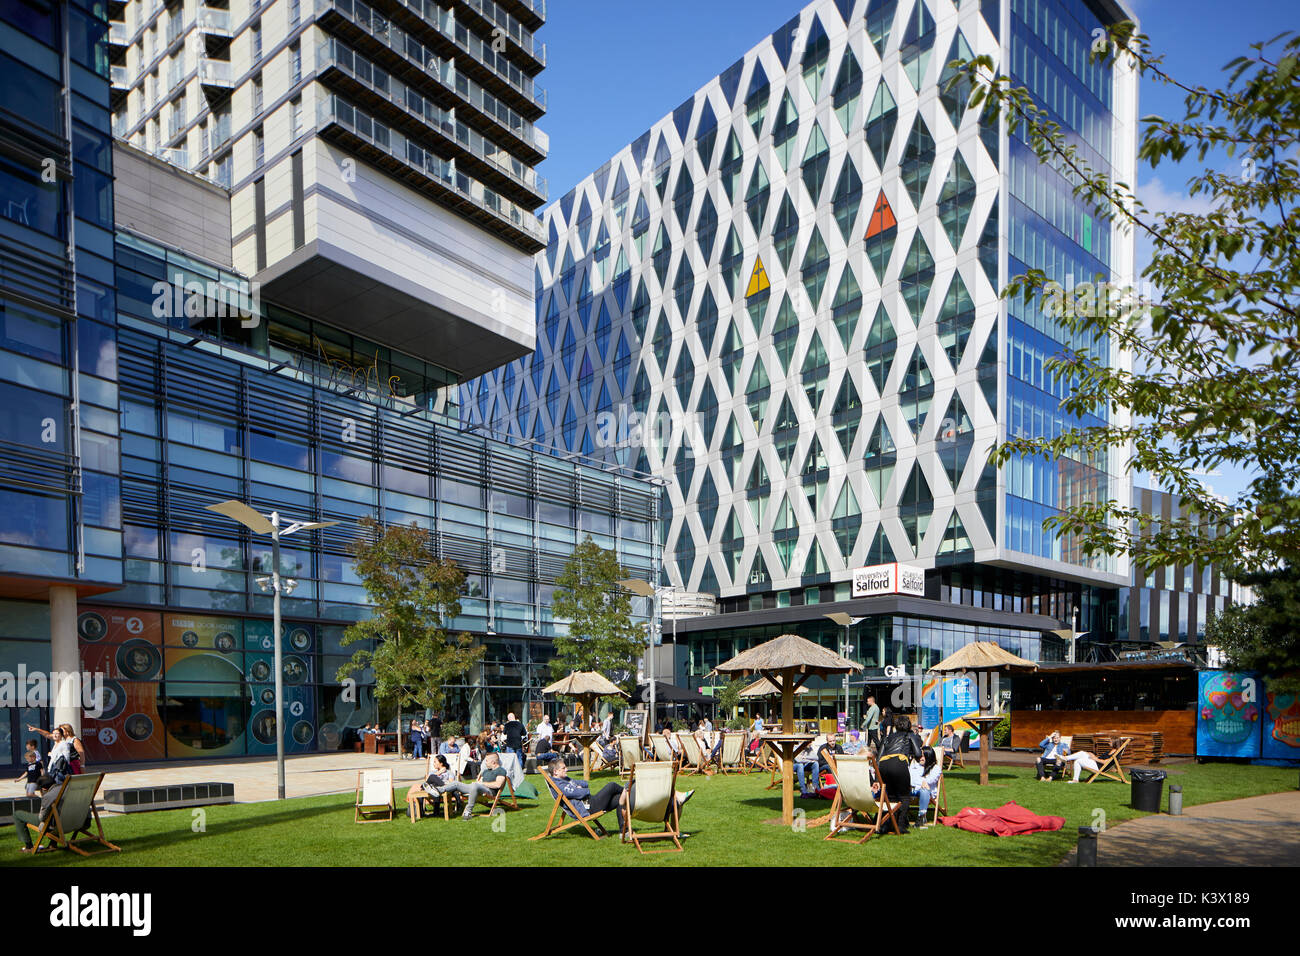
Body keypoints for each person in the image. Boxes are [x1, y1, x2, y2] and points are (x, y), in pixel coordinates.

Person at [547, 757, 628, 831]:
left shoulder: (565, 779)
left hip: (590, 802)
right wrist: (582, 790)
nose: (566, 769)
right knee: (612, 786)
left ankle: (624, 831)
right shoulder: (559, 785)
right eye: (563, 768)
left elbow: (583, 783)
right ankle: (629, 790)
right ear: (555, 772)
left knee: (620, 799)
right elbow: (578, 793)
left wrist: (580, 788)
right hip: (587, 808)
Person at [877, 715, 924, 832]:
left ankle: (888, 824)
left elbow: (878, 758)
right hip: (898, 763)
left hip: (883, 765)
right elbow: (918, 754)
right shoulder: (909, 736)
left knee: (892, 795)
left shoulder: (887, 737)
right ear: (908, 725)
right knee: (904, 796)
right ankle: (900, 825)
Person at [14, 774, 65, 853]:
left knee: (17, 814)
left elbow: (42, 818)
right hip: (73, 822)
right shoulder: (66, 788)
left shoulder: (48, 796)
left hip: (55, 825)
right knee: (54, 815)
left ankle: (29, 846)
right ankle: (53, 843)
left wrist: (43, 797)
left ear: (44, 788)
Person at [459, 753, 510, 820]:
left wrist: (482, 784)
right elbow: (478, 783)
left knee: (475, 785)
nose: (485, 763)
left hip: (489, 792)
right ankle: (440, 791)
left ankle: (468, 811)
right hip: (477, 789)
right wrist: (478, 783)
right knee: (456, 784)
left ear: (493, 762)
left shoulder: (501, 771)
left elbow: (498, 785)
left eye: (486, 760)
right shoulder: (486, 771)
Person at [909, 746, 943, 828]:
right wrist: (921, 782)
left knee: (924, 789)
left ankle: (921, 816)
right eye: (920, 756)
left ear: (929, 756)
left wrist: (919, 783)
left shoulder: (935, 769)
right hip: (912, 791)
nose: (921, 758)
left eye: (923, 756)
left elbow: (929, 781)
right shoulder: (915, 766)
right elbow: (909, 779)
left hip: (927, 793)